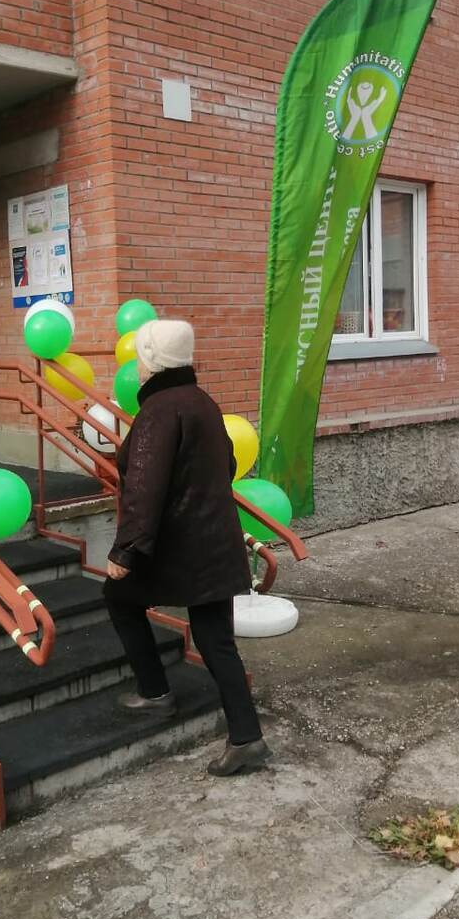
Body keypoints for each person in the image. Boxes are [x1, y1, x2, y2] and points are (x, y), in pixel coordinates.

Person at [104, 318, 271, 776]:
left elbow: (144, 487)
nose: (137, 366)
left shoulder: (159, 410)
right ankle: (247, 738)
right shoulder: (202, 402)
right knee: (216, 641)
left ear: (153, 360)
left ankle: (156, 693)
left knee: (118, 596)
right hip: (214, 542)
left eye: (141, 357)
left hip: (178, 547)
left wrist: (126, 550)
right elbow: (227, 463)